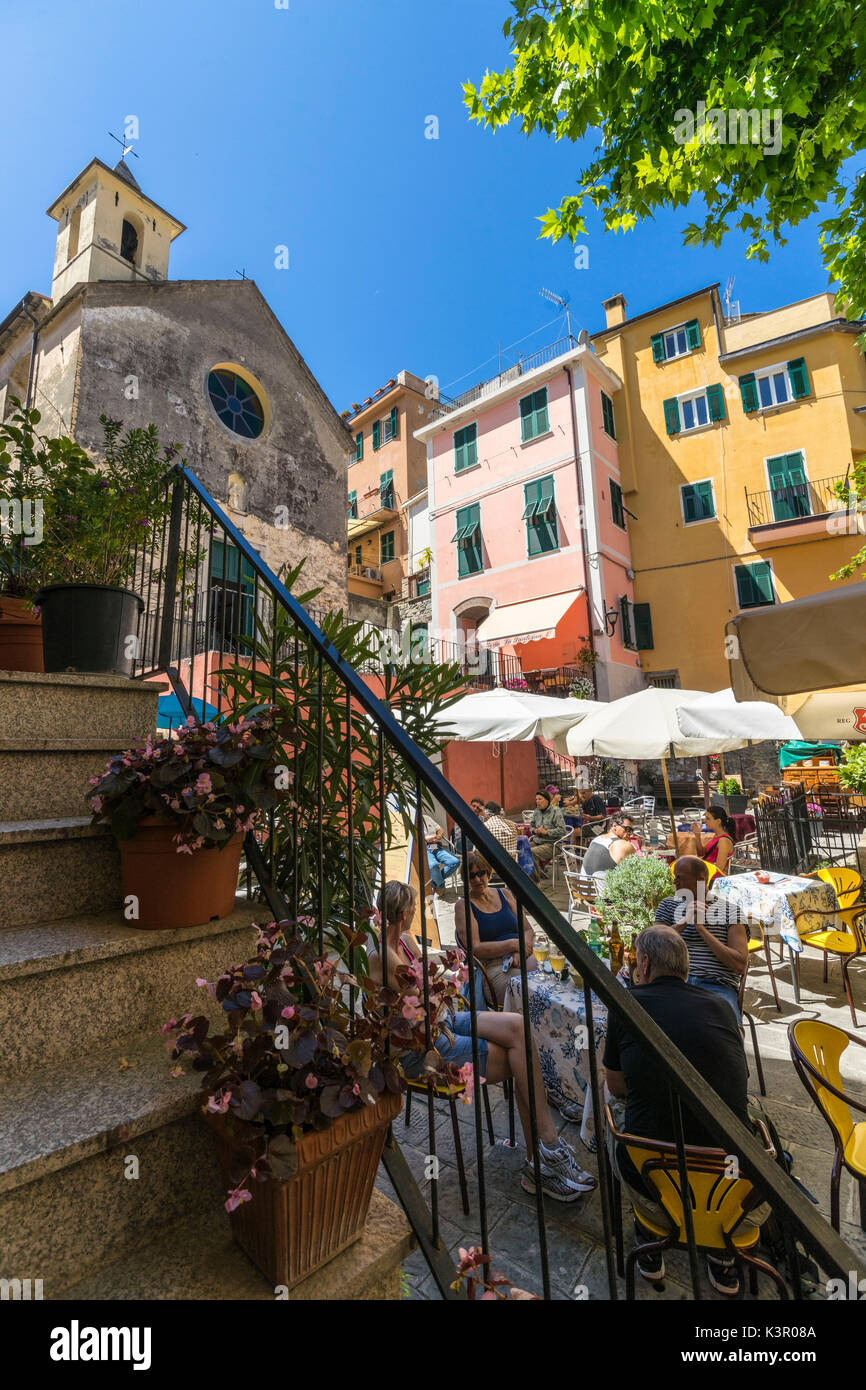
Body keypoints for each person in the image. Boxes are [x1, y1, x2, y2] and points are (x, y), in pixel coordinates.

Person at [371, 879, 597, 1201]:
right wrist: (436, 990)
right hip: (425, 1049)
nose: (416, 912)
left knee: (518, 1028)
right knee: (522, 1061)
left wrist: (438, 989)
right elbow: (424, 997)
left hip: (445, 1021)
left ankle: (544, 1153)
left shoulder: (405, 940)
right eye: (414, 907)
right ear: (405, 911)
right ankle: (543, 1156)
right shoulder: (383, 954)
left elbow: (432, 988)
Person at [603, 925, 755, 1294]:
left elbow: (617, 1087)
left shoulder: (627, 1005)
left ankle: (649, 1237)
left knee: (613, 1110)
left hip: (651, 1171)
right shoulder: (721, 1007)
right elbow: (740, 1082)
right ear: (686, 967)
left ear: (644, 963)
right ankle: (720, 1252)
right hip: (730, 1179)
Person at [654, 856, 748, 1023]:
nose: (675, 882)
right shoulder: (668, 905)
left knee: (727, 1032)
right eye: (674, 876)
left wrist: (701, 929)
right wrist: (683, 922)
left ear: (700, 880)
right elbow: (653, 945)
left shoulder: (730, 911)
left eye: (680, 877)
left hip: (715, 985)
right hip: (672, 982)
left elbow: (740, 964)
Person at [454, 851, 538, 1005]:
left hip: (523, 955)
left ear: (489, 872)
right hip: (493, 966)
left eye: (481, 873)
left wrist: (519, 950)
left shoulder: (504, 894)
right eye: (472, 876)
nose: (478, 879)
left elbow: (528, 929)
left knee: (555, 975)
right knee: (528, 990)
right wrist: (513, 944)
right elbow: (475, 948)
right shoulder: (463, 906)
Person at [582, 813, 638, 880]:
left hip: (582, 887)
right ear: (615, 826)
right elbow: (635, 873)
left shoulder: (596, 839)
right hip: (602, 890)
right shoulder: (623, 845)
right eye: (627, 829)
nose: (630, 833)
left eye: (632, 831)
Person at [528, 789, 566, 877]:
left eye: (540, 799)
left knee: (532, 852)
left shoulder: (556, 811)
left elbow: (562, 830)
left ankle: (535, 881)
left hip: (552, 844)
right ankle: (532, 874)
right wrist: (534, 830)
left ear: (547, 800)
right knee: (521, 849)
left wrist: (547, 832)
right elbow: (531, 826)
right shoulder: (537, 811)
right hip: (538, 841)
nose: (537, 801)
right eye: (536, 799)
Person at [691, 804, 736, 875]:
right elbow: (701, 853)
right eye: (705, 817)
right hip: (705, 875)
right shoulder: (717, 836)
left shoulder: (723, 840)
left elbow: (719, 868)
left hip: (712, 879)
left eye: (708, 818)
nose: (704, 820)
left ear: (718, 821)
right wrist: (697, 835)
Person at [422, 812, 460, 896]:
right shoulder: (412, 822)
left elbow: (440, 829)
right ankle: (440, 886)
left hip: (437, 847)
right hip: (425, 849)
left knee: (455, 861)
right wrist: (426, 840)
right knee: (433, 866)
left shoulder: (426, 818)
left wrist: (438, 836)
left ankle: (435, 883)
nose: (421, 808)